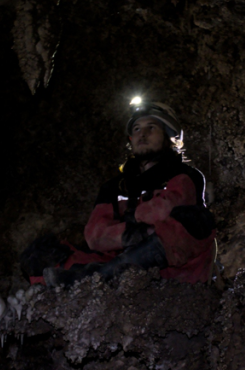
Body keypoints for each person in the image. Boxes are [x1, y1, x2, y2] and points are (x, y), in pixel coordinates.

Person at [22, 99, 217, 286]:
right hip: (119, 260)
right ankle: (100, 277)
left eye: (151, 128)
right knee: (45, 252)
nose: (143, 134)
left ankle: (95, 279)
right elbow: (95, 235)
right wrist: (141, 232)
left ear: (167, 135)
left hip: (175, 272)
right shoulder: (115, 187)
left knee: (193, 221)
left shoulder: (185, 174)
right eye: (137, 129)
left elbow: (169, 208)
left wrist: (130, 218)